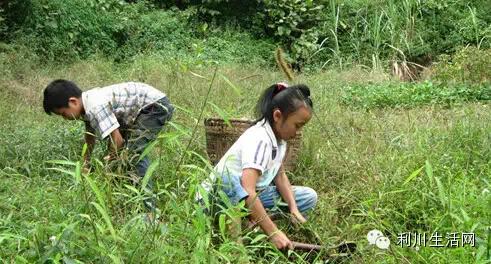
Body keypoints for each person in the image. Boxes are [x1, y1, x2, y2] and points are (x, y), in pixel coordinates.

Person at [199, 82, 317, 250]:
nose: (297, 132)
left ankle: (252, 221)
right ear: (277, 116)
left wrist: (293, 208)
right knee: (228, 179)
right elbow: (247, 190)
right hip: (218, 198)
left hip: (247, 196)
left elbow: (280, 175)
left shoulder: (280, 140)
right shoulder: (260, 139)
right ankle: (236, 248)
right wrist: (273, 232)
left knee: (308, 197)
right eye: (297, 125)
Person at [43, 79, 174, 212]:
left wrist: (109, 164)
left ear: (73, 102)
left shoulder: (95, 107)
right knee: (123, 153)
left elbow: (117, 141)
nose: (65, 118)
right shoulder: (86, 104)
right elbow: (90, 136)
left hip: (154, 106)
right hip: (141, 109)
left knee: (134, 152)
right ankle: (130, 196)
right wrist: (86, 163)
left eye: (63, 113)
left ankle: (149, 210)